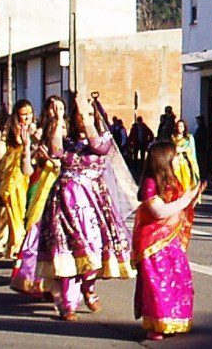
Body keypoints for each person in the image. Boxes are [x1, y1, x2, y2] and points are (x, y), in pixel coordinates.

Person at [16, 94, 135, 321]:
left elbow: (98, 147)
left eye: (88, 115)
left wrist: (88, 113)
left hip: (94, 205)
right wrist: (59, 118)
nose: (83, 119)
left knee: (93, 251)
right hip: (65, 204)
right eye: (79, 116)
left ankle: (89, 287)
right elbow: (56, 152)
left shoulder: (103, 138)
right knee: (67, 253)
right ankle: (67, 303)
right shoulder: (68, 140)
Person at [133, 141, 203, 340]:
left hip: (171, 241)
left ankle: (176, 320)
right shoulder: (149, 183)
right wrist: (186, 199)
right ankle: (157, 324)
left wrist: (192, 196)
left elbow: (182, 202)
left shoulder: (172, 179)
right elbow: (159, 212)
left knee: (179, 278)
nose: (178, 160)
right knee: (158, 283)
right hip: (153, 244)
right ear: (164, 160)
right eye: (175, 157)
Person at [11, 95, 67, 298]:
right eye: (52, 108)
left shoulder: (67, 134)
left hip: (64, 192)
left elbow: (60, 154)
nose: (56, 111)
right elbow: (26, 170)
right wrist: (27, 149)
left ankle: (62, 283)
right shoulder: (37, 135)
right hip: (40, 190)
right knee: (37, 233)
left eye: (60, 108)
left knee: (61, 237)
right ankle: (36, 281)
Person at [0, 99, 35, 259]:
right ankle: (2, 245)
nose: (27, 118)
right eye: (23, 114)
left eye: (30, 114)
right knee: (5, 214)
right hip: (10, 180)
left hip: (29, 178)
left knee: (24, 216)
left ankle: (17, 247)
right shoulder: (8, 133)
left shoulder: (35, 132)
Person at [172, 119, 200, 191]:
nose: (179, 128)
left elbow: (192, 151)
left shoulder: (189, 138)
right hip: (176, 163)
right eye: (178, 126)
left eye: (181, 126)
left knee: (186, 180)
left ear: (184, 127)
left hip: (185, 163)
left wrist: (183, 150)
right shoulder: (173, 138)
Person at [193, 116, 212, 185]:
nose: (197, 122)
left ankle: (203, 176)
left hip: (201, 149)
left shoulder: (202, 129)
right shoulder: (200, 128)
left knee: (202, 163)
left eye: (198, 120)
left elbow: (201, 139)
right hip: (200, 149)